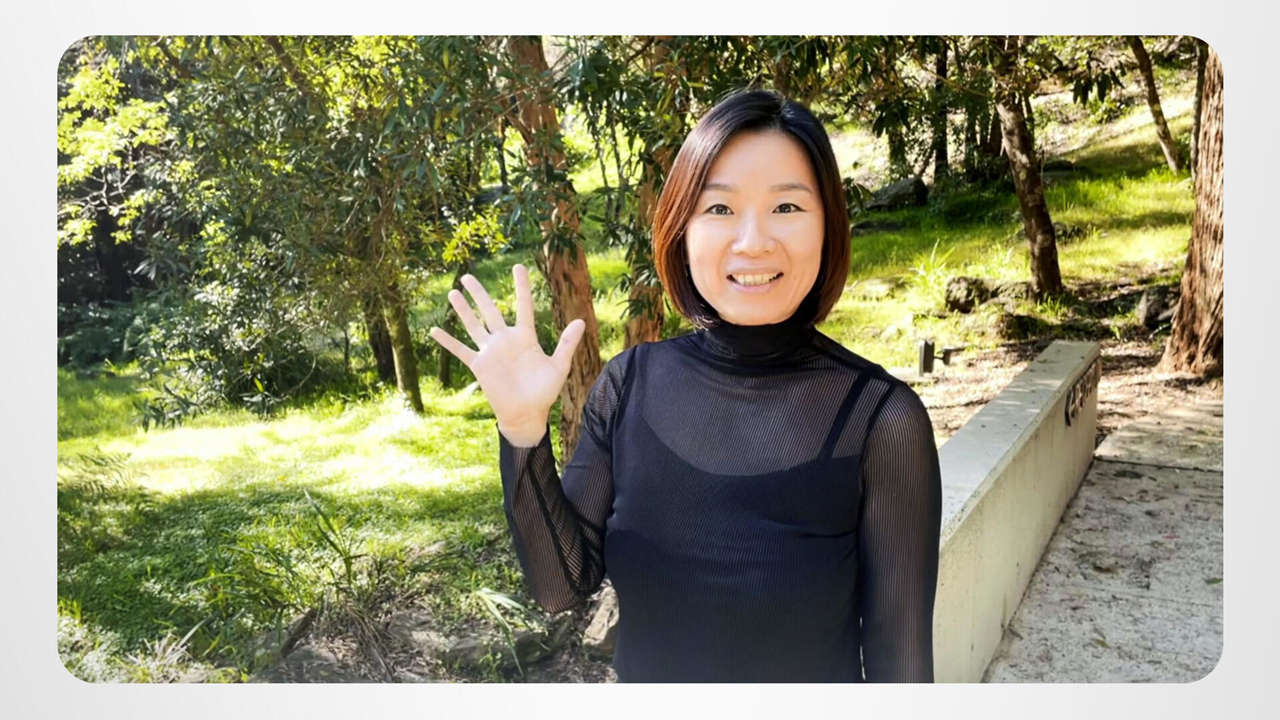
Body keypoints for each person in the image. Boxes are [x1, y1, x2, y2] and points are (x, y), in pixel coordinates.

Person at [430, 89, 942, 683]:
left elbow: (902, 670)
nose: (753, 241)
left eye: (787, 207)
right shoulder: (628, 387)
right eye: (720, 209)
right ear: (682, 229)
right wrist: (522, 432)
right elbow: (561, 587)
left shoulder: (880, 420)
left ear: (828, 225)